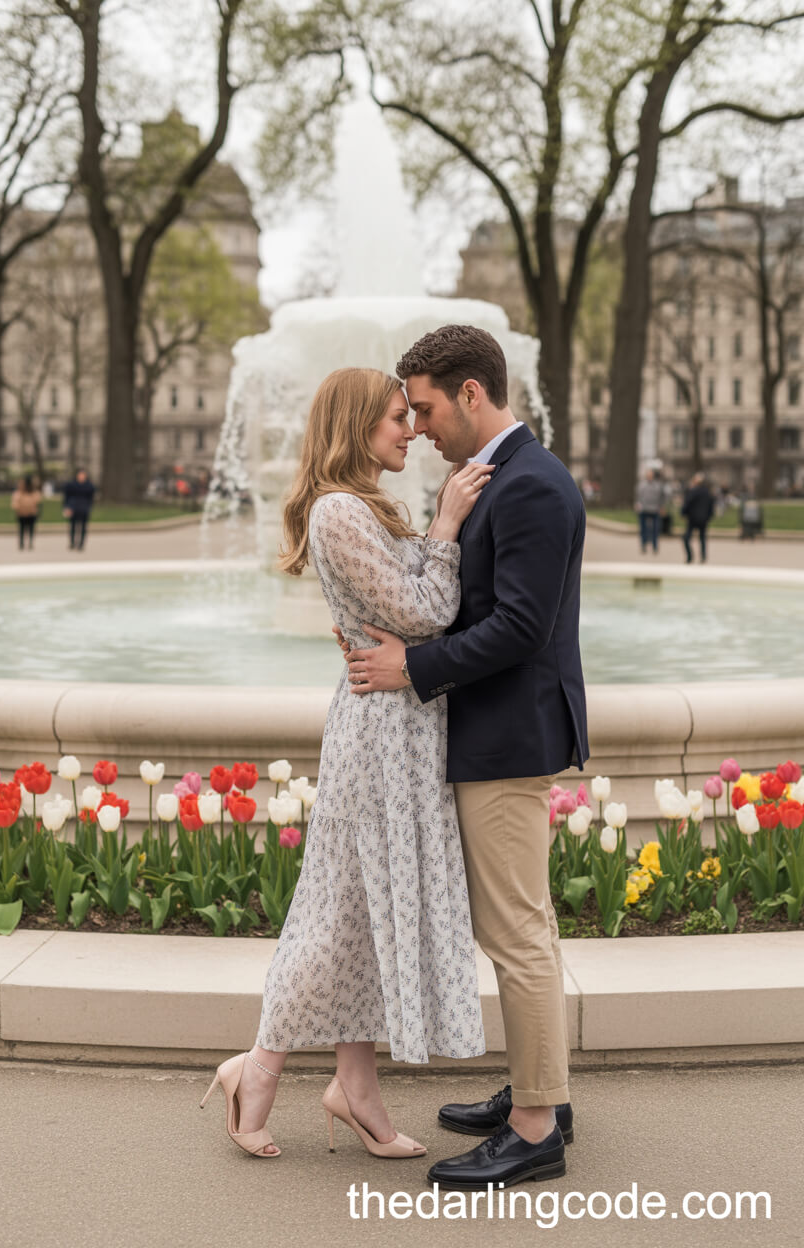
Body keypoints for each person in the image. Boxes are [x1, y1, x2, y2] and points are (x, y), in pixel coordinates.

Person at [199, 367, 489, 1160]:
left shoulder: (363, 508)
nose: (410, 431)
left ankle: (354, 1088)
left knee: (358, 914)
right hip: (379, 737)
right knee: (336, 916)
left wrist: (425, 558)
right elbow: (429, 610)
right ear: (356, 425)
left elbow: (417, 615)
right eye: (396, 417)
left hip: (403, 726)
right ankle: (256, 1068)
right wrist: (446, 524)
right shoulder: (338, 512)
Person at [343, 325, 588, 1191]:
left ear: (472, 394)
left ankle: (535, 1130)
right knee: (522, 927)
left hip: (508, 735)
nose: (418, 426)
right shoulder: (504, 477)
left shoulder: (531, 485)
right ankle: (542, 1094)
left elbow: (520, 627)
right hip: (498, 730)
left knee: (516, 934)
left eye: (426, 407)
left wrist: (412, 667)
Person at [681, 472, 714, 563]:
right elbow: (711, 506)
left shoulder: (693, 491)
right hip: (703, 518)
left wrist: (683, 513)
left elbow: (687, 503)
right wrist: (709, 516)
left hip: (693, 518)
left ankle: (690, 556)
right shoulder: (708, 492)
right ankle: (703, 556)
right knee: (702, 538)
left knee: (686, 537)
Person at [634, 467, 667, 553]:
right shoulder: (641, 485)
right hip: (644, 509)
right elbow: (638, 496)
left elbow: (662, 497)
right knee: (643, 529)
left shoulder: (658, 485)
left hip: (655, 509)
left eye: (651, 475)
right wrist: (637, 504)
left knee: (655, 529)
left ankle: (655, 546)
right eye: (648, 475)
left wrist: (662, 507)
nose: (649, 476)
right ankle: (643, 545)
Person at [61, 468, 95, 550]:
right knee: (72, 526)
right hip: (73, 507)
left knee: (83, 527)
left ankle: (81, 543)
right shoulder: (71, 485)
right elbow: (66, 497)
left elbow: (91, 499)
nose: (81, 477)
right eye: (80, 475)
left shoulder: (89, 486)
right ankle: (72, 542)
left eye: (83, 475)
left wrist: (89, 507)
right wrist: (66, 507)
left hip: (84, 508)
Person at [10, 475, 42, 550]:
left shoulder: (33, 492)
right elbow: (15, 502)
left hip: (30, 513)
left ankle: (29, 542)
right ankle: (22, 542)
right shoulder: (19, 492)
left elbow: (38, 500)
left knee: (30, 529)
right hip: (22, 513)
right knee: (22, 529)